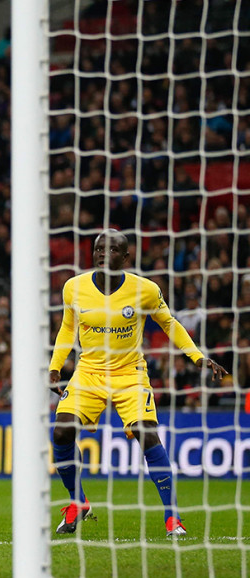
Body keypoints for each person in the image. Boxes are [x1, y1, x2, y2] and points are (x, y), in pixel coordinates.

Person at [49, 229, 227, 537]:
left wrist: (197, 357)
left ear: (126, 257)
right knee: (62, 431)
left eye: (112, 250)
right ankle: (78, 501)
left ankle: (173, 518)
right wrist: (54, 367)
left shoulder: (144, 290)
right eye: (99, 249)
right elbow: (68, 328)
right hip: (89, 371)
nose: (104, 254)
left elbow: (168, 323)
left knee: (147, 435)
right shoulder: (73, 288)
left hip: (130, 372)